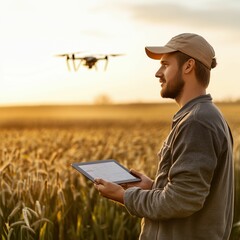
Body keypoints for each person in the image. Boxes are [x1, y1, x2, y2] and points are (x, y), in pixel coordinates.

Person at [94, 33, 234, 240]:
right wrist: (153, 187)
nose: (158, 73)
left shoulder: (197, 121)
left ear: (188, 66)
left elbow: (183, 200)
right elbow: (192, 190)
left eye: (165, 65)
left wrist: (124, 196)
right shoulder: (201, 116)